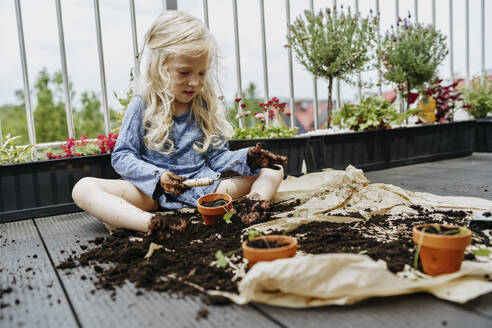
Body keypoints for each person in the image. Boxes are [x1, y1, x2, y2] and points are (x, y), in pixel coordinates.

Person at [72, 11, 287, 238]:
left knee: (274, 169)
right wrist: (158, 176)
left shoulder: (203, 104)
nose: (194, 82)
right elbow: (123, 155)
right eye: (184, 72)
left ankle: (253, 205)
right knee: (83, 188)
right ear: (160, 67)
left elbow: (216, 158)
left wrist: (247, 158)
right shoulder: (143, 104)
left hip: (206, 188)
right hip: (150, 194)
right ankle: (152, 223)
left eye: (201, 73)